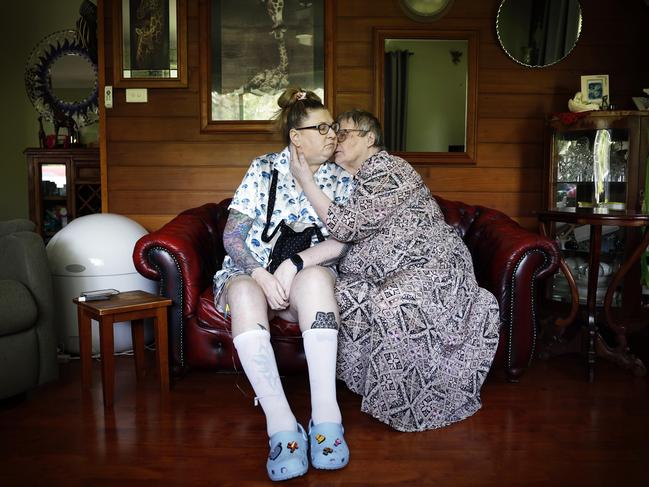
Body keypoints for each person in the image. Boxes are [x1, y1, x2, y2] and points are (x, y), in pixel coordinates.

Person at [278, 109, 501, 432]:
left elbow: (346, 226)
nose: (335, 140)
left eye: (343, 133)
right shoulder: (357, 183)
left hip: (432, 266)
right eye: (332, 133)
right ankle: (376, 392)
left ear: (370, 139)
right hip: (394, 272)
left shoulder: (389, 168)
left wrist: (306, 181)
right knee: (343, 296)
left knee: (391, 303)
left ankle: (415, 402)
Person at [213, 88, 352, 481]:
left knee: (314, 282)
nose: (332, 134)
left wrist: (294, 264)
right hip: (255, 273)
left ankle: (326, 420)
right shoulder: (262, 169)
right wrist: (258, 272)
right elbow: (233, 236)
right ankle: (282, 426)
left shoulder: (342, 179)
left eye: (334, 127)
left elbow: (343, 239)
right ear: (296, 135)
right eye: (322, 127)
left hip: (306, 274)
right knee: (241, 290)